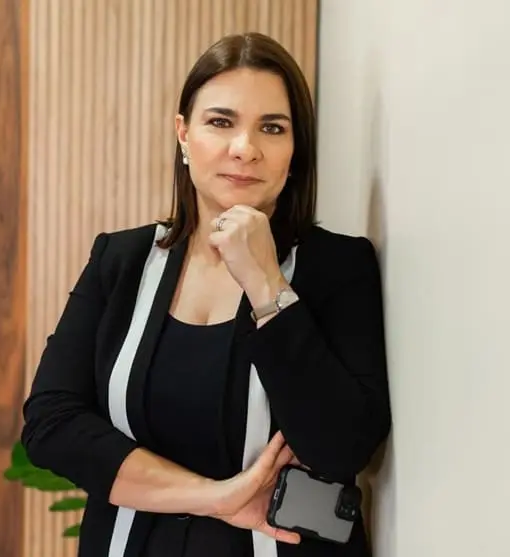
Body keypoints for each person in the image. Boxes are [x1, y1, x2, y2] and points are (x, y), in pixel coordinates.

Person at [21, 32, 391, 557]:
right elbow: (51, 423)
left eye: (272, 127)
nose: (245, 148)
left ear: (295, 150)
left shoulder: (337, 267)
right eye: (221, 122)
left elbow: (342, 446)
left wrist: (267, 286)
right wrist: (217, 499)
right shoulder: (122, 261)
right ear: (183, 134)